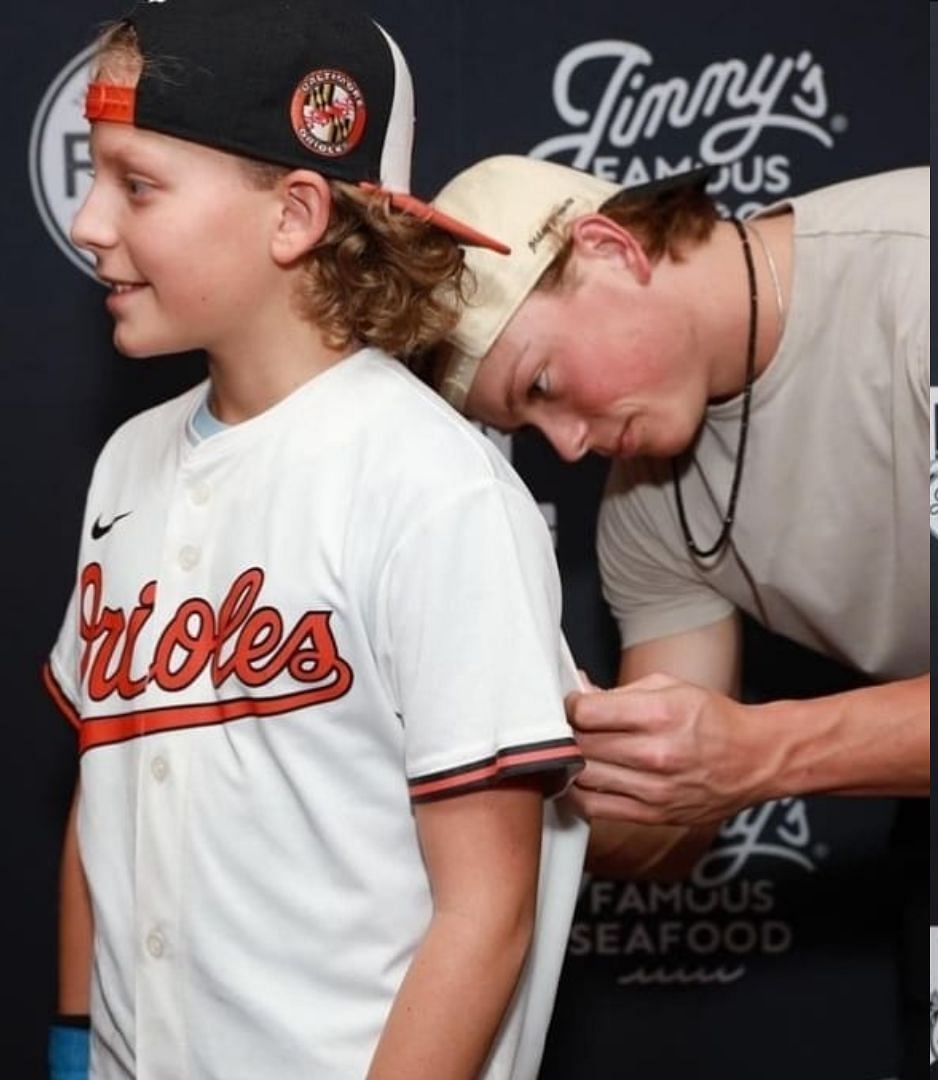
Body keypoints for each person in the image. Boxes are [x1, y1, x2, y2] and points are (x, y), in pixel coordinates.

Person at [45, 4, 587, 1078]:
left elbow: (487, 915)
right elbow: (104, 795)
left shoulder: (432, 483)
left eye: (135, 183)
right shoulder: (127, 464)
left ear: (294, 215)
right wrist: (73, 1047)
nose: (88, 220)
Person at [415, 155, 929, 1056]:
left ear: (612, 249)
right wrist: (526, 776)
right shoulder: (645, 502)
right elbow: (664, 828)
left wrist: (766, 751)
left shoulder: (925, 271)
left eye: (542, 384)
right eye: (529, 427)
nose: (567, 446)